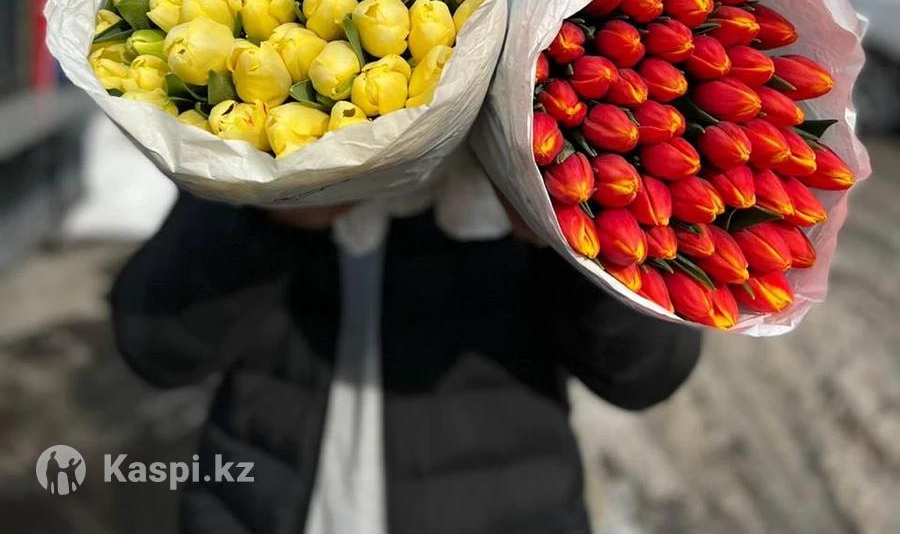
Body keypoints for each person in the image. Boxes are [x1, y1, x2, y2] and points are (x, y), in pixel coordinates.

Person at [111, 187, 701, 534]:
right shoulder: (258, 148)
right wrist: (270, 216)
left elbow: (649, 369)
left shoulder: (533, 153)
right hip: (255, 510)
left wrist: (565, 233)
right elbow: (155, 344)